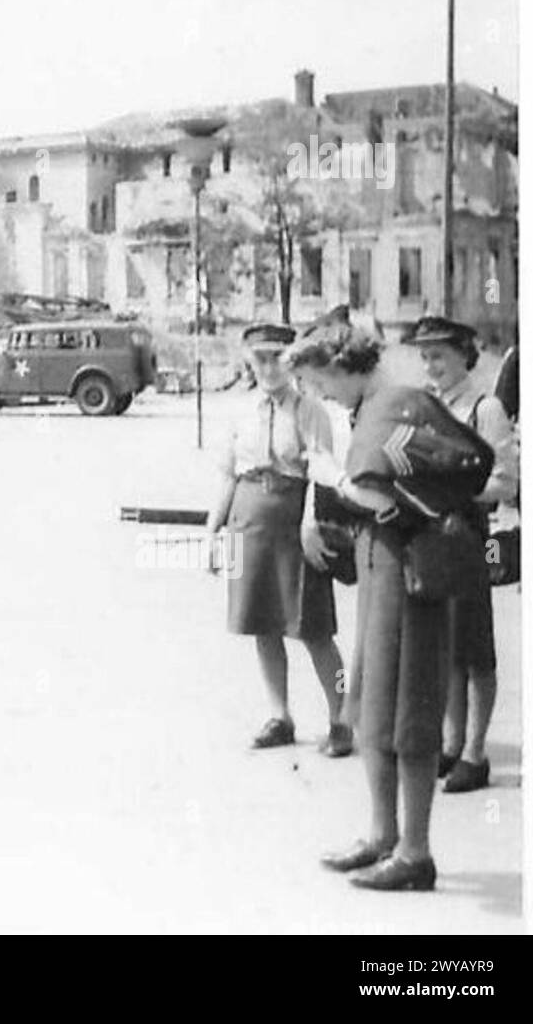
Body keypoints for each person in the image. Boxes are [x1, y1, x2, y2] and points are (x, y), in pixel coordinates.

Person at [290, 318, 493, 891]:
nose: (319, 394)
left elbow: (377, 489)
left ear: (340, 366)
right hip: (387, 567)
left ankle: (414, 852)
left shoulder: (389, 403)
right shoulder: (387, 403)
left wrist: (333, 477)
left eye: (319, 381)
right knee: (375, 705)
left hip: (408, 576)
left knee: (408, 710)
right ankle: (383, 836)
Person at [205, 323, 351, 756]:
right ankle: (279, 715)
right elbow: (228, 475)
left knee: (313, 629)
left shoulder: (311, 412)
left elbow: (319, 475)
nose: (269, 367)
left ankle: (341, 719)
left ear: (292, 362)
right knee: (261, 624)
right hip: (248, 522)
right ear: (249, 361)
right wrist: (213, 532)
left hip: (295, 523)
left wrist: (310, 526)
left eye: (277, 358)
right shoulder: (238, 411)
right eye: (260, 358)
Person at [404, 316, 518, 795]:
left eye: (440, 357)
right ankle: (450, 744)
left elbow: (505, 482)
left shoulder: (484, 408)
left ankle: (475, 751)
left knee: (474, 646)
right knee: (444, 642)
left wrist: (457, 494)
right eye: (425, 357)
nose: (432, 366)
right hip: (430, 531)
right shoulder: (425, 406)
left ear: (463, 356)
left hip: (469, 534)